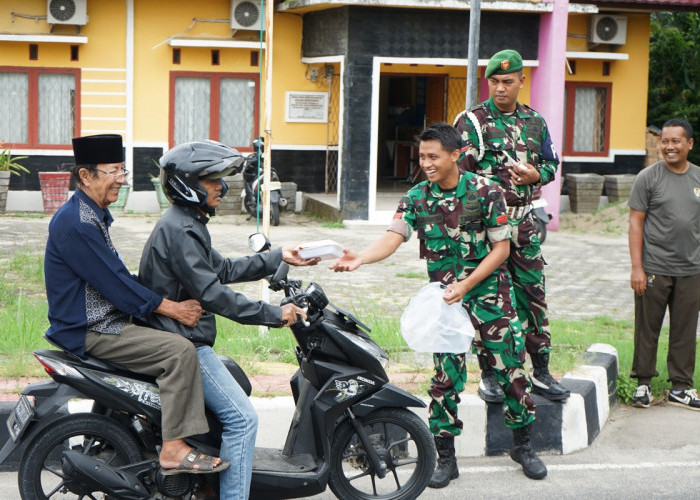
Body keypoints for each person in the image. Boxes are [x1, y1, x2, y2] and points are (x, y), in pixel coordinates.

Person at [330, 123, 546, 486]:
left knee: (512, 374)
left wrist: (467, 284)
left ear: (455, 155)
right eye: (422, 157)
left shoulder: (487, 191)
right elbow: (394, 234)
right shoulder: (416, 196)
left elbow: (502, 250)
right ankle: (445, 457)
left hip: (491, 297)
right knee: (445, 381)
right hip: (447, 302)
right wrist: (362, 258)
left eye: (433, 156)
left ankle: (523, 446)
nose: (426, 163)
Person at [137, 140, 318, 499]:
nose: (222, 186)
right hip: (184, 342)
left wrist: (280, 255)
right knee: (243, 419)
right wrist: (273, 314)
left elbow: (220, 269)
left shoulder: (186, 224)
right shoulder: (181, 229)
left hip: (181, 334)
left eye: (221, 178)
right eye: (212, 180)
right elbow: (214, 294)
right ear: (187, 184)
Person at [44, 134, 228, 475]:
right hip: (92, 328)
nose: (123, 179)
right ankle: (173, 448)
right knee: (179, 352)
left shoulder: (90, 214)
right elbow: (115, 286)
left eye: (123, 170)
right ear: (86, 176)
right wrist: (172, 308)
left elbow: (117, 277)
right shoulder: (78, 223)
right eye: (114, 171)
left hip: (102, 320)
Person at [453, 49, 570, 403]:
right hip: (486, 229)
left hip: (523, 225)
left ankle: (543, 371)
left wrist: (537, 174)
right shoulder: (472, 122)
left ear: (521, 81)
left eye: (507, 81)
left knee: (533, 297)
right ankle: (489, 374)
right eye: (494, 82)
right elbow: (460, 177)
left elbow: (551, 163)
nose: (500, 88)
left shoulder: (535, 121)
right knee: (487, 300)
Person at [628, 118, 700, 411]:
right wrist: (637, 268)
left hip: (691, 270)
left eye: (676, 141)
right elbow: (635, 223)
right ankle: (643, 383)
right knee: (647, 328)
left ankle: (681, 387)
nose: (669, 147)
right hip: (654, 267)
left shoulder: (698, 178)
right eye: (665, 141)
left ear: (689, 144)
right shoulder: (648, 177)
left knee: (685, 329)